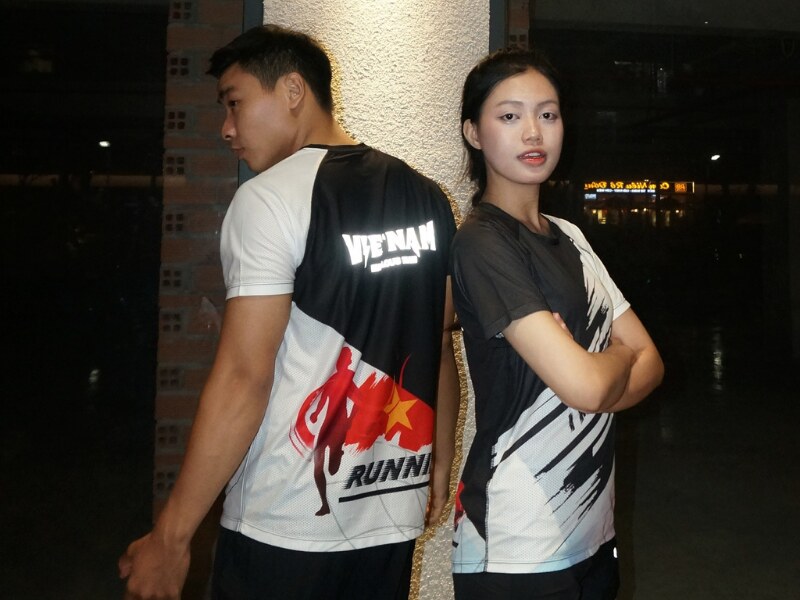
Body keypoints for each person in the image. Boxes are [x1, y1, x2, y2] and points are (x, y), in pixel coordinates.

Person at [119, 24, 459, 600]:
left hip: (286, 522)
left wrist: (172, 536)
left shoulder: (270, 199)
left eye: (234, 103)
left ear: (294, 90)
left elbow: (242, 378)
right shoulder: (425, 197)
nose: (227, 128)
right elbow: (439, 341)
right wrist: (438, 461)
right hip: (390, 509)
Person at [449, 48, 664, 599]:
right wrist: (616, 358)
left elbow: (653, 363)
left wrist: (598, 370)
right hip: (518, 545)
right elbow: (589, 386)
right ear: (473, 133)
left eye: (548, 114)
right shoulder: (481, 243)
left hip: (593, 530)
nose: (533, 132)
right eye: (509, 115)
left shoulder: (570, 235)